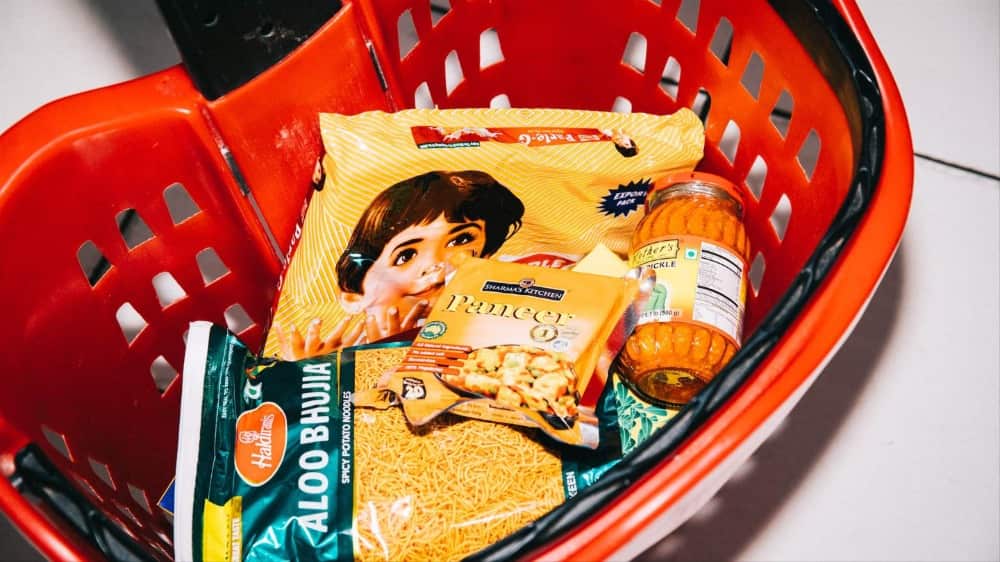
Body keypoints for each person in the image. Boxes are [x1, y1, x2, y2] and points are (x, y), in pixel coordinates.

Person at [275, 170, 525, 359]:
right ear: (353, 296)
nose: (437, 265)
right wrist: (306, 373)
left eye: (461, 239)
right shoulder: (337, 355)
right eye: (405, 256)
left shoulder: (498, 325)